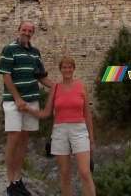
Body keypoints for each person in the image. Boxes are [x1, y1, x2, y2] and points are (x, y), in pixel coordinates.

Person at [24, 56, 96, 196]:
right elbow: (46, 113)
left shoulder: (82, 87)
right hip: (60, 131)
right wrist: (28, 110)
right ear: (60, 70)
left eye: (70, 67)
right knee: (64, 174)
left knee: (85, 172)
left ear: (74, 69)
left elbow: (87, 115)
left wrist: (92, 140)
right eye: (64, 67)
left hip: (79, 130)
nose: (67, 70)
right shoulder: (55, 88)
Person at [0, 21, 54, 196]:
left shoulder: (35, 53)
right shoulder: (9, 49)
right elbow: (6, 75)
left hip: (31, 100)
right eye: (24, 30)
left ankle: (17, 179)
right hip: (14, 101)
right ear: (18, 31)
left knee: (24, 139)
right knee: (13, 138)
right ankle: (9, 184)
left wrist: (58, 88)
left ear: (33, 34)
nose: (26, 33)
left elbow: (40, 76)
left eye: (30, 31)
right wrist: (17, 98)